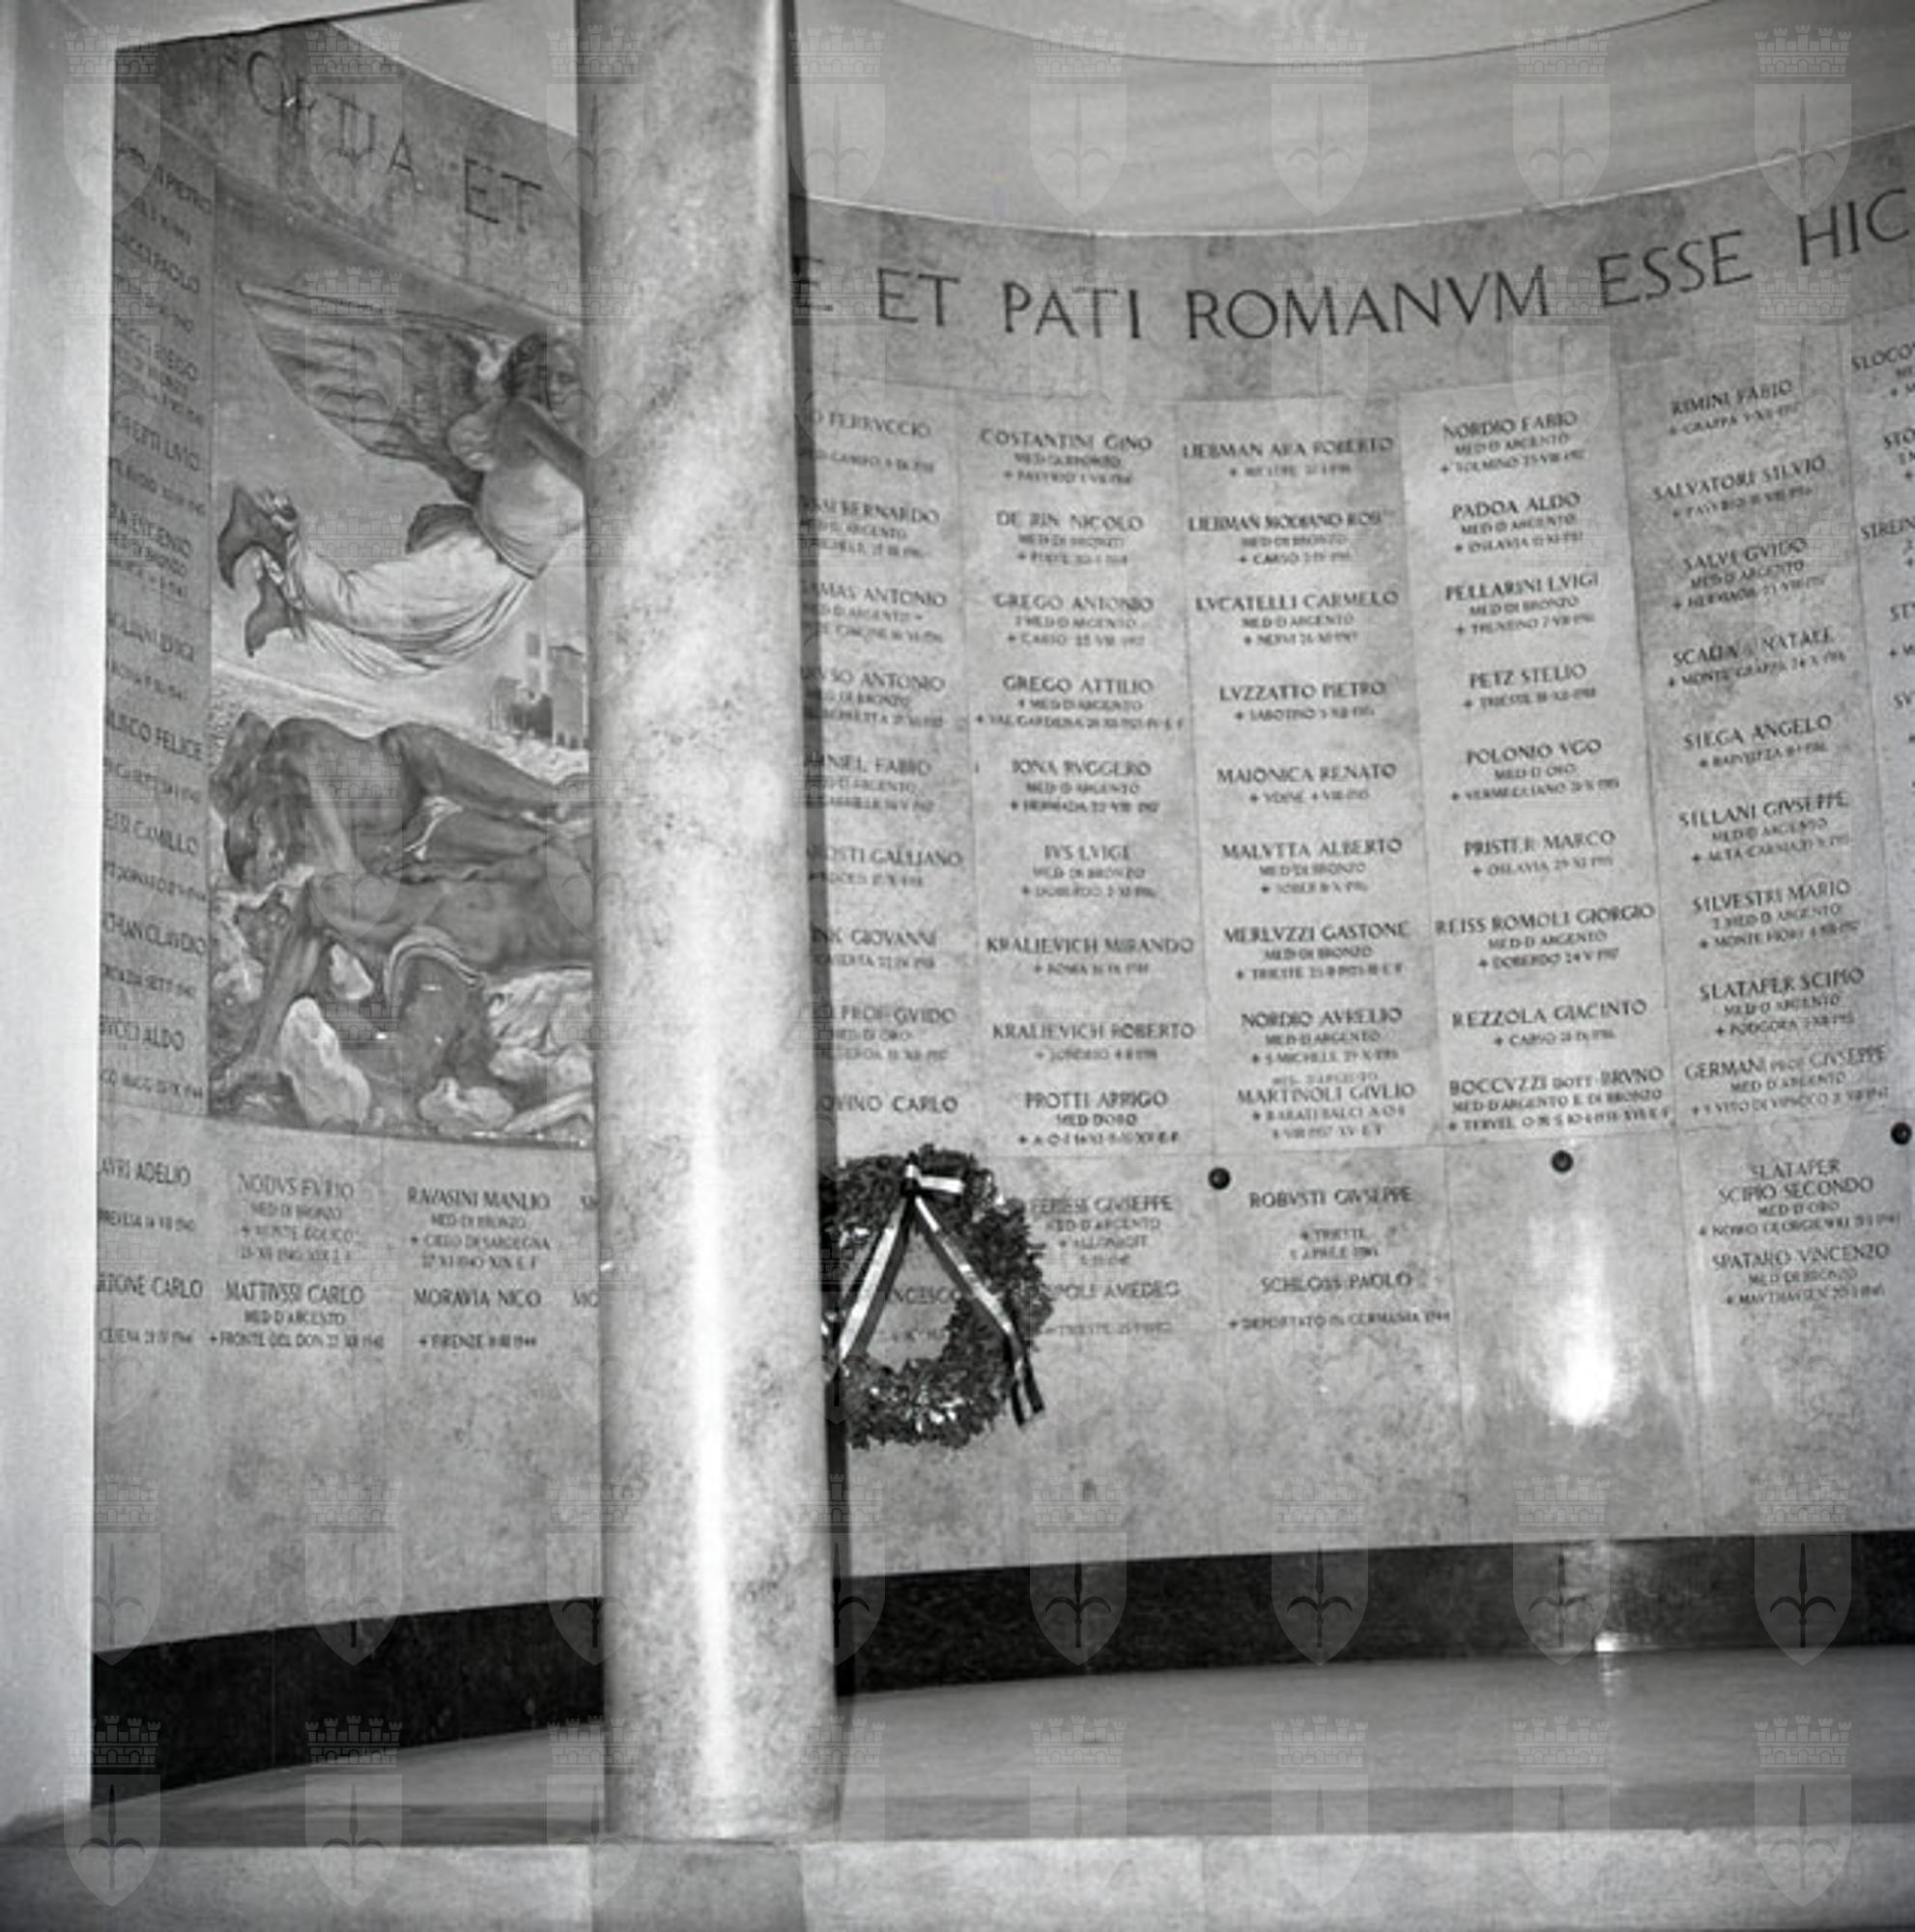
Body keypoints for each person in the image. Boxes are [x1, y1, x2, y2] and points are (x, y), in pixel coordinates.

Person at [211, 710, 592, 1098]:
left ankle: (257, 1053)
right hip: (424, 854)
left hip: (419, 780)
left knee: (323, 900)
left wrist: (345, 948)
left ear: (258, 822)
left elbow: (345, 877)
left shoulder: (289, 762)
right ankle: (258, 1053)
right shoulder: (289, 812)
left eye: (273, 857)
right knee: (532, 858)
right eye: (277, 869)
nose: (284, 860)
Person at [216, 316, 586, 676]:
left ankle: (284, 606)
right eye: (545, 376)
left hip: (506, 577)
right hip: (473, 561)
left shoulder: (574, 436)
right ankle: (262, 528)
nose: (553, 388)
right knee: (358, 604)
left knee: (413, 655)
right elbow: (594, 477)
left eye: (566, 379)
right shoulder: (526, 417)